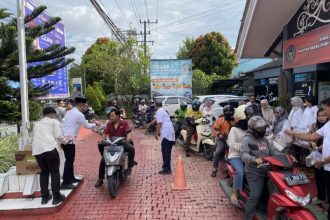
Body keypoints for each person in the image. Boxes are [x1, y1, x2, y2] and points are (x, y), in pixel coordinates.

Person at [285, 98, 330, 219]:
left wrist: (324, 160)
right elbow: (311, 136)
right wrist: (294, 133)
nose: (324, 112)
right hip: (326, 166)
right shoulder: (328, 125)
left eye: (325, 109)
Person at [241, 116, 280, 220]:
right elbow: (243, 155)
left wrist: (285, 157)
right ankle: (248, 217)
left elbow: (273, 152)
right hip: (254, 171)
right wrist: (254, 159)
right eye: (260, 129)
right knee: (255, 195)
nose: (262, 131)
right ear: (253, 129)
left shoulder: (265, 140)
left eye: (264, 129)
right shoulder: (246, 139)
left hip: (268, 170)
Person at [61, 96, 102, 190]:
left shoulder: (70, 112)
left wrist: (91, 121)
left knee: (70, 161)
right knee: (69, 161)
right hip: (69, 140)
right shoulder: (78, 114)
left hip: (65, 139)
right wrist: (96, 123)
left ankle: (71, 178)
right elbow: (87, 126)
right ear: (80, 104)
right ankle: (65, 183)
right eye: (84, 105)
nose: (85, 107)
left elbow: (80, 122)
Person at [32, 107, 67, 205]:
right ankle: (56, 197)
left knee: (44, 172)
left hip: (37, 151)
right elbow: (58, 136)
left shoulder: (36, 124)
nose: (54, 116)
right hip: (50, 149)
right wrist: (65, 140)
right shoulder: (53, 122)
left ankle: (45, 197)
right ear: (52, 114)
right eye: (54, 114)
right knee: (55, 172)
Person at [95, 108, 136, 187]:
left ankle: (129, 166)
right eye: (110, 116)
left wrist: (128, 137)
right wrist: (101, 140)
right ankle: (100, 179)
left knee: (131, 148)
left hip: (121, 143)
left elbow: (128, 132)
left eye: (112, 116)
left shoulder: (124, 123)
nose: (111, 118)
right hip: (111, 144)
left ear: (117, 116)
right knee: (103, 160)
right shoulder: (109, 124)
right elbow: (104, 134)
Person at [227, 105, 253, 205]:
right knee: (240, 171)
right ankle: (235, 193)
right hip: (236, 156)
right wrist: (244, 147)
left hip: (250, 155)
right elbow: (231, 144)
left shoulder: (251, 129)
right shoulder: (234, 129)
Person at [147, 101, 175, 174]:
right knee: (166, 151)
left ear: (156, 106)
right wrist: (150, 123)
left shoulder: (159, 111)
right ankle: (166, 167)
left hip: (167, 133)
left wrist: (156, 133)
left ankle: (167, 169)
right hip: (170, 133)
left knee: (165, 151)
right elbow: (157, 120)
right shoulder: (163, 111)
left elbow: (159, 122)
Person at [211, 105, 236, 177]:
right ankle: (214, 169)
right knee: (218, 151)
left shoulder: (236, 120)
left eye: (230, 112)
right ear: (224, 112)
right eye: (226, 112)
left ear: (233, 112)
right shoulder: (220, 120)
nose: (228, 113)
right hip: (222, 139)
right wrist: (219, 134)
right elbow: (215, 129)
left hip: (233, 139)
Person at [310, 108, 328, 205]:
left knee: (326, 177)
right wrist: (313, 144)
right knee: (318, 176)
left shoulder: (328, 126)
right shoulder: (315, 126)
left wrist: (322, 147)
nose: (321, 118)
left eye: (323, 116)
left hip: (327, 156)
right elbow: (311, 138)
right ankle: (321, 196)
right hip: (317, 154)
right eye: (319, 116)